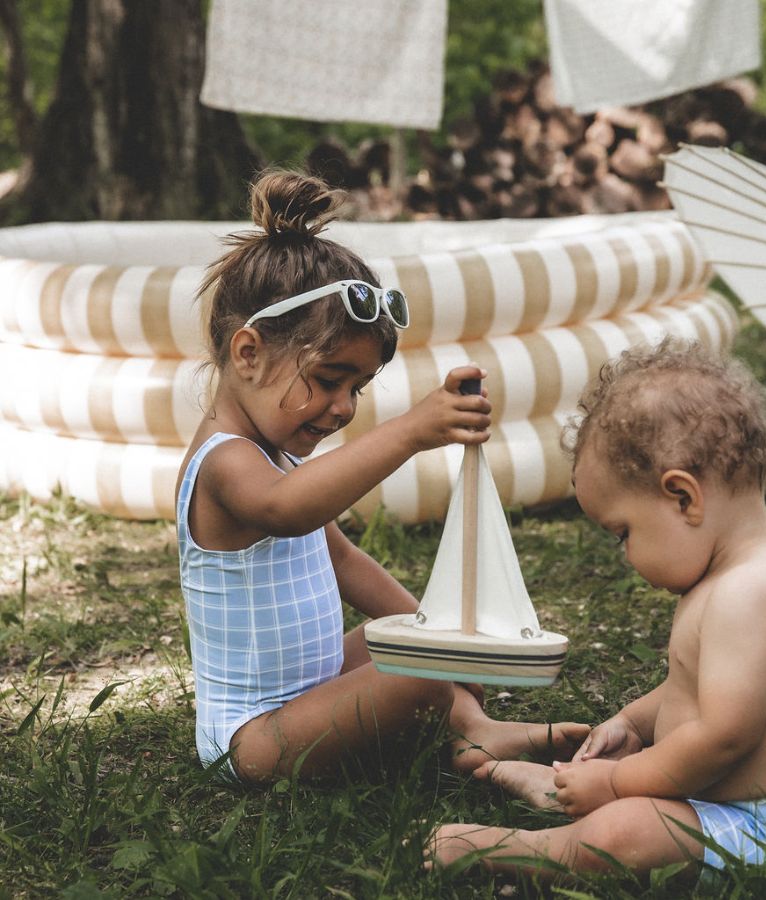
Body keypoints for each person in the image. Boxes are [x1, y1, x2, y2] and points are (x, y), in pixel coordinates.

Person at [176, 169, 589, 784]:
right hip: (255, 737)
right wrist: (410, 431)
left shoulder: (277, 455)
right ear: (248, 353)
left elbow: (341, 561)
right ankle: (475, 748)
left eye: (358, 388)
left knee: (395, 635)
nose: (344, 407)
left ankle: (476, 731)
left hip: (313, 693)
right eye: (327, 379)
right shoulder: (224, 462)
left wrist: (436, 632)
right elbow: (290, 509)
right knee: (414, 669)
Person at [427, 339, 766, 881]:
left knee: (622, 832)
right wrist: (632, 721)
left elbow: (725, 734)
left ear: (683, 498)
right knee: (625, 784)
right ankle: (561, 785)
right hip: (720, 797)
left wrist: (619, 783)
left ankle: (519, 847)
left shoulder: (750, 590)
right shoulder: (729, 568)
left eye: (624, 532)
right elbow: (694, 684)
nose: (625, 554)